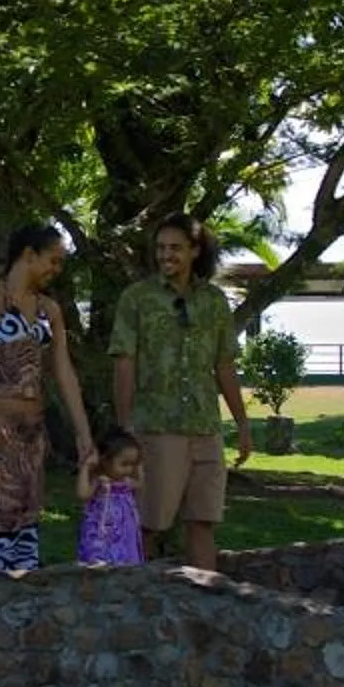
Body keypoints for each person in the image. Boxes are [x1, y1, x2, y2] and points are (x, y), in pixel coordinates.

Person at [108, 213, 253, 569]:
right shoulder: (137, 298)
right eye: (160, 248)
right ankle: (124, 602)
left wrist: (242, 425)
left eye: (175, 247)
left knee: (203, 521)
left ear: (195, 250)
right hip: (156, 428)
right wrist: (124, 428)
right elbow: (124, 362)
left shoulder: (214, 301)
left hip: (205, 427)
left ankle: (206, 603)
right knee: (150, 524)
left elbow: (224, 365)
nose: (166, 255)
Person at [0, 223, 99, 573]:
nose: (56, 269)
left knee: (26, 517)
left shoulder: (49, 310)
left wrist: (83, 433)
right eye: (53, 260)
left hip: (32, 431)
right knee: (2, 512)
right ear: (29, 254)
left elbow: (63, 373)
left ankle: (16, 604)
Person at [76, 428, 147, 567]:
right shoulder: (100, 481)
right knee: (100, 560)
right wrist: (86, 467)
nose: (129, 469)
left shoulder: (126, 482)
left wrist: (140, 464)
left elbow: (140, 483)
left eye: (133, 464)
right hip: (102, 531)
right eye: (124, 464)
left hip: (125, 531)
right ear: (105, 460)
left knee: (127, 558)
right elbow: (83, 494)